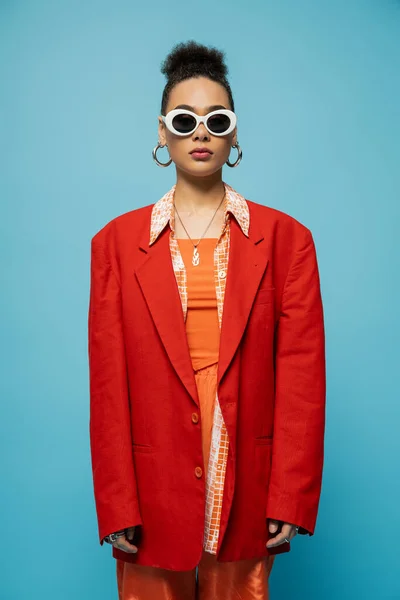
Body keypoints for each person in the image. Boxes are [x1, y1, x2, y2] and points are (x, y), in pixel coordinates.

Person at [88, 40, 326, 600]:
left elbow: (302, 377)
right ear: (162, 132)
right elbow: (107, 383)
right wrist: (116, 502)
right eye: (184, 119)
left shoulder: (288, 242)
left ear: (235, 134)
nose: (201, 132)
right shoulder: (115, 245)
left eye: (217, 120)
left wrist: (289, 495)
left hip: (245, 474)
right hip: (151, 486)